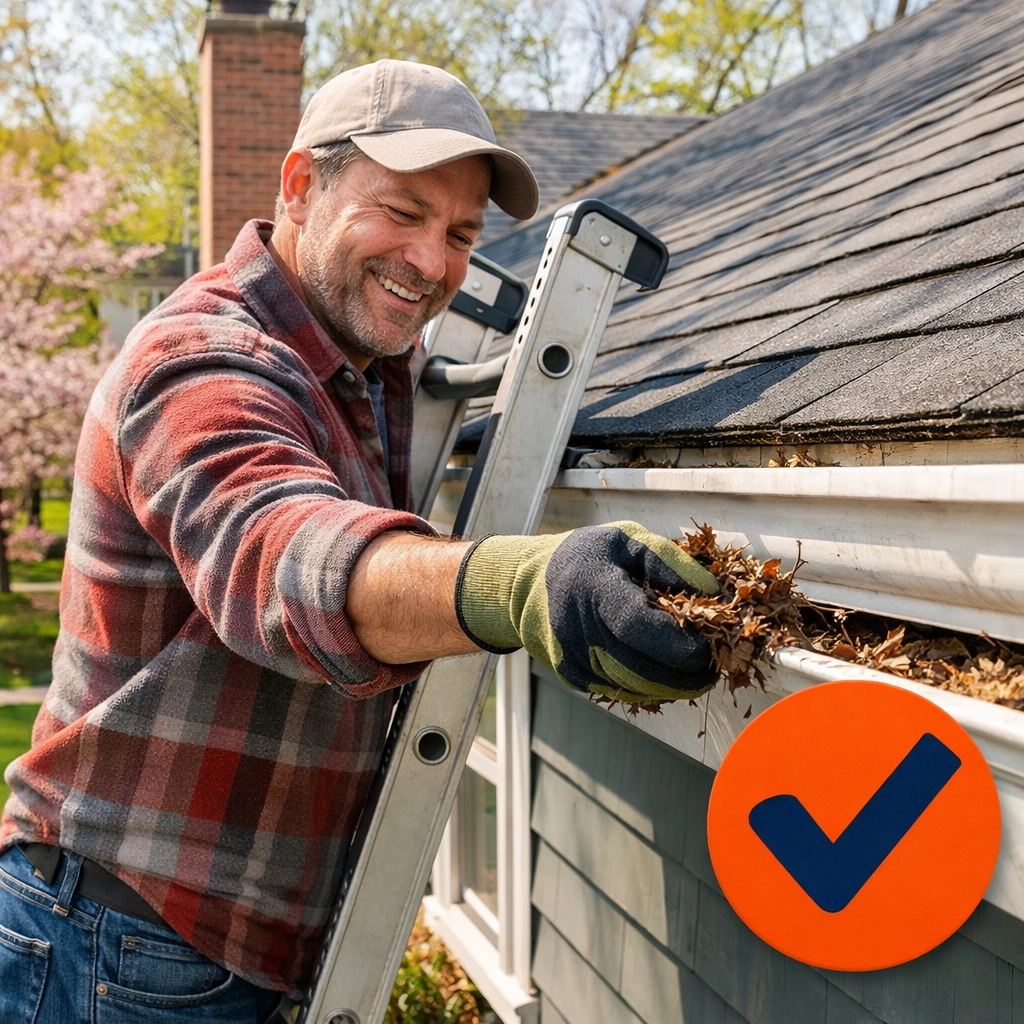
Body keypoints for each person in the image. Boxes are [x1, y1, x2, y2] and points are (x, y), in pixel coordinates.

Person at [0, 59, 719, 1022]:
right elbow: (281, 553)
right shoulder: (203, 360)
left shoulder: (368, 368)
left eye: (461, 233)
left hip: (208, 943)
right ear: (300, 185)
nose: (431, 261)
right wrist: (522, 587)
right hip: (123, 934)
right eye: (402, 212)